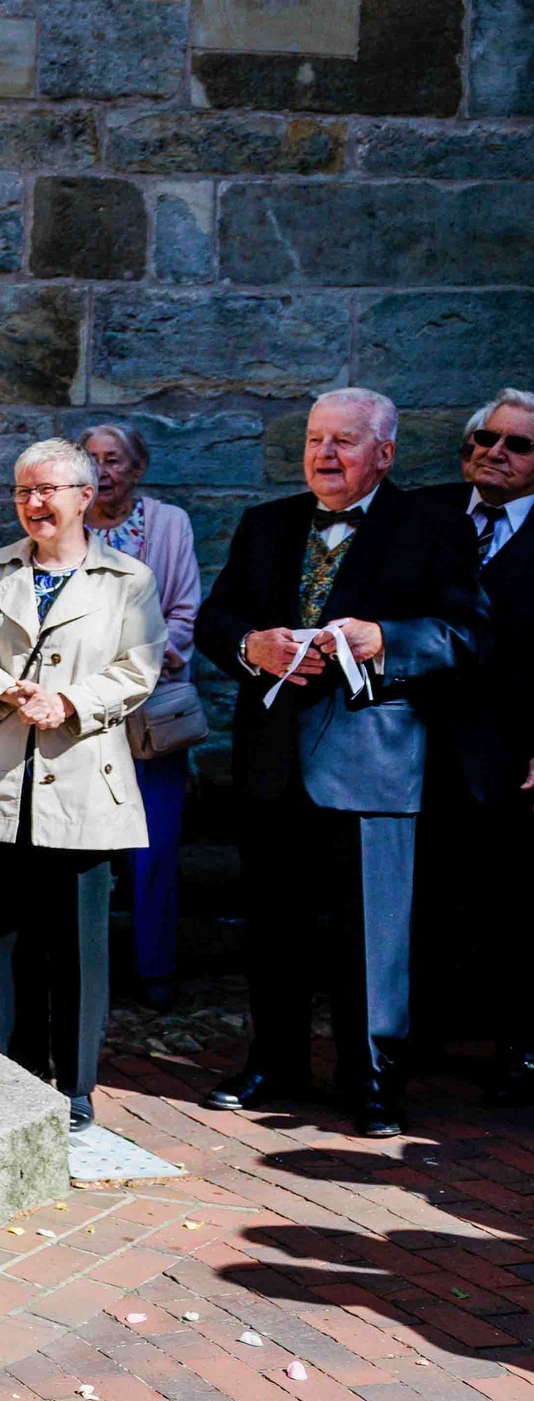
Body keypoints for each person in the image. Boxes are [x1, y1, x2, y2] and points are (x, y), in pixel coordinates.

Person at [198, 389, 485, 1138]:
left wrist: (384, 638)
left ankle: (375, 1081)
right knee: (275, 924)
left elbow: (465, 633)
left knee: (375, 932)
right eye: (317, 440)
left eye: (345, 442)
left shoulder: (433, 525)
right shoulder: (267, 524)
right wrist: (247, 646)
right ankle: (275, 1062)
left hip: (378, 761)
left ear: (384, 453)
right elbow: (216, 617)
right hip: (273, 756)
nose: (325, 454)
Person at [0, 440, 164, 1134]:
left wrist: (69, 702)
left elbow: (139, 667)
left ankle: (77, 1084)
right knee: (9, 937)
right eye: (22, 492)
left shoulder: (128, 580)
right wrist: (3, 689)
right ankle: (18, 1069)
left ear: (85, 495)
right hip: (2, 781)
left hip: (85, 786)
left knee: (78, 946)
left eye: (48, 490)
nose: (35, 503)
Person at [415, 389, 534, 1101]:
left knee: (515, 900)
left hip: (514, 753)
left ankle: (518, 1042)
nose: (496, 452)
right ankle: (419, 1029)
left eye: (519, 444)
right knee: (422, 891)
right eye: (485, 439)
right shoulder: (423, 515)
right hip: (417, 742)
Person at [78, 424, 201, 1010]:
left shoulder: (169, 524)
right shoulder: (62, 520)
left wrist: (138, 657)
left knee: (154, 845)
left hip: (152, 709)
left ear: (138, 469)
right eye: (91, 460)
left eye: (114, 460)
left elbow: (184, 613)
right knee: (83, 848)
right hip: (82, 711)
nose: (103, 471)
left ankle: (155, 967)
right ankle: (86, 969)